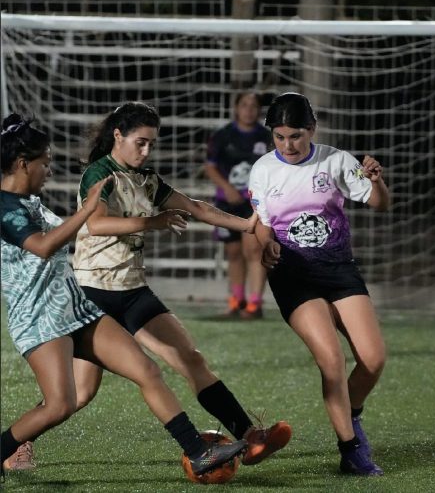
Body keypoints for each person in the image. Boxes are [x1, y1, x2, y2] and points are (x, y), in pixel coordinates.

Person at [3, 102, 292, 472]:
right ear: (118, 136)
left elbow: (196, 207)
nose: (146, 151)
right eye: (140, 142)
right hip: (93, 293)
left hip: (131, 290)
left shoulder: (146, 179)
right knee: (76, 395)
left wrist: (248, 224)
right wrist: (151, 222)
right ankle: (19, 444)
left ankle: (246, 438)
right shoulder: (99, 174)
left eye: (152, 144)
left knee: (187, 360)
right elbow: (97, 225)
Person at [249, 92, 389, 476]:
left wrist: (376, 182)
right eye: (279, 137)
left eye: (295, 135)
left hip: (339, 270)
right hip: (293, 275)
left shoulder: (338, 161)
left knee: (374, 360)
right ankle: (351, 449)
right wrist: (266, 244)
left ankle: (351, 414)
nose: (288, 145)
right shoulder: (263, 170)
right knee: (331, 360)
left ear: (312, 129)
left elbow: (379, 203)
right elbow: (261, 223)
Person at [204, 92, 269, 319]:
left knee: (254, 250)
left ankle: (255, 304)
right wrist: (227, 188)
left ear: (259, 110)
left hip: (254, 204)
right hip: (227, 202)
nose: (248, 110)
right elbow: (210, 166)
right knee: (233, 252)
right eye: (244, 105)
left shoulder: (266, 137)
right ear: (236, 108)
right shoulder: (222, 135)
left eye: (253, 105)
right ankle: (236, 301)